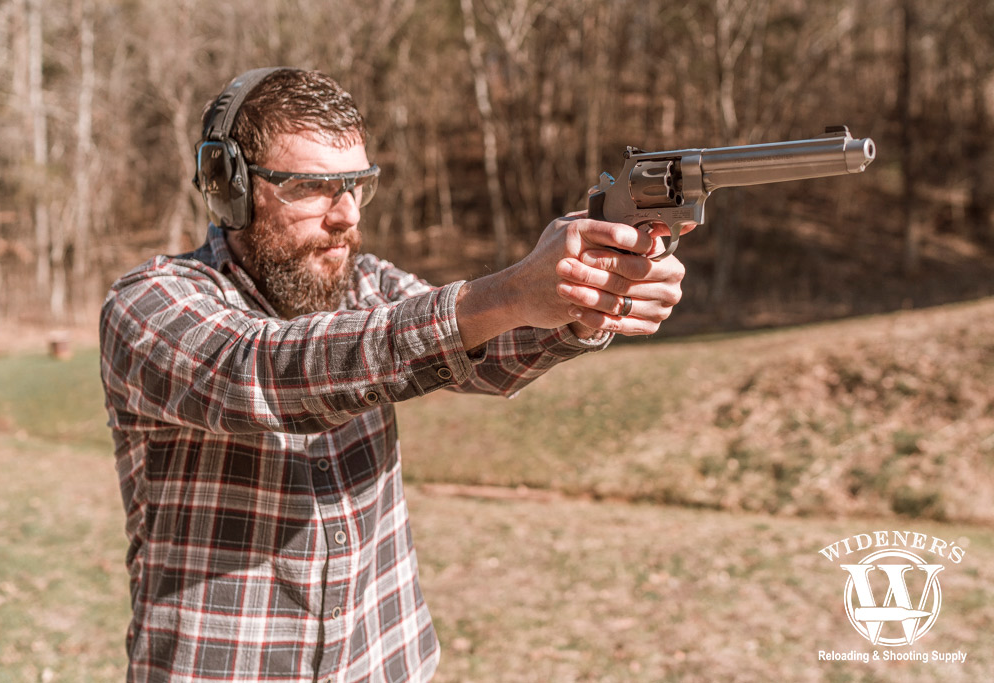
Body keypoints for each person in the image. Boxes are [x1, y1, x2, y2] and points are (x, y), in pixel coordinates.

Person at [99, 66, 685, 682]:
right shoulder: (148, 304)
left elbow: (488, 359)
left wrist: (584, 297)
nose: (347, 216)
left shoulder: (368, 285)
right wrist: (506, 291)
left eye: (357, 185)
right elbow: (263, 371)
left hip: (386, 663)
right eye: (314, 187)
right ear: (228, 186)